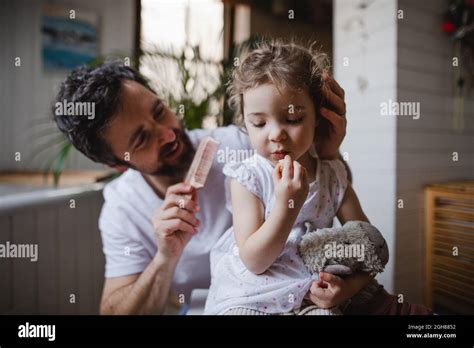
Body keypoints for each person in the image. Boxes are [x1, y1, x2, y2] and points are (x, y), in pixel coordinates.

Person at [52, 59, 348, 314]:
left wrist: (325, 154)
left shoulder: (242, 144)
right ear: (117, 164)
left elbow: (326, 199)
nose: (168, 135)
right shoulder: (122, 208)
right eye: (142, 139)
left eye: (158, 112)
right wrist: (164, 258)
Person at [204, 40, 433, 316]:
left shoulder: (332, 175)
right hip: (253, 293)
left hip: (313, 289)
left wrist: (347, 289)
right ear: (245, 122)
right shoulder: (247, 177)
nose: (275, 134)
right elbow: (254, 261)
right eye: (259, 123)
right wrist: (286, 206)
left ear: (318, 117)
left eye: (293, 119)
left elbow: (372, 246)